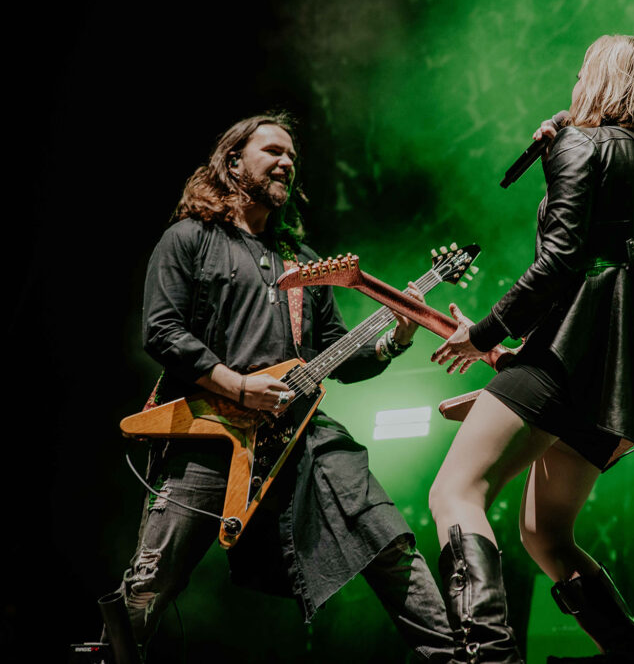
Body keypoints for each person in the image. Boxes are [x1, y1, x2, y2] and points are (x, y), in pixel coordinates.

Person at [428, 35, 634, 663]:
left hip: (582, 344)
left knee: (456, 492)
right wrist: (515, 358)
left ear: (595, 80)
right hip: (629, 362)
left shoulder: (579, 145)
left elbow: (561, 261)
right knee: (545, 534)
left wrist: (486, 333)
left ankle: (486, 659)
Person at [106, 112, 456, 662]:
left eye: (291, 155)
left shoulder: (303, 265)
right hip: (208, 434)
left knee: (388, 538)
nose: (286, 162)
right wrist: (237, 386)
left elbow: (338, 354)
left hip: (301, 436)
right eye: (271, 150)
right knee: (150, 584)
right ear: (232, 162)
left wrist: (396, 339)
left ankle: (458, 658)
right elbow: (162, 329)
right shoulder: (190, 238)